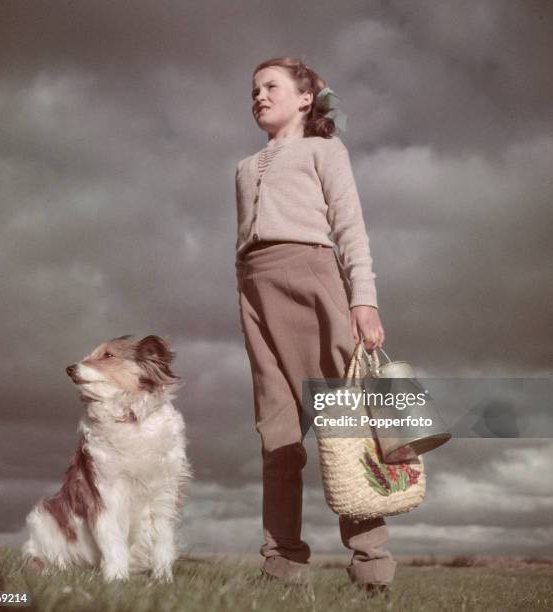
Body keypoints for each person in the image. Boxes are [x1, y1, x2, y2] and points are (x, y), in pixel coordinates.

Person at [234, 57, 395, 597]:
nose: (258, 95)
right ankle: (281, 567)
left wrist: (363, 301)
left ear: (305, 98)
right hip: (254, 289)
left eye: (270, 86)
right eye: (253, 90)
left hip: (313, 279)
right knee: (276, 434)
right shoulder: (243, 167)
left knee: (344, 427)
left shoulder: (326, 150)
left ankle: (372, 567)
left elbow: (350, 228)